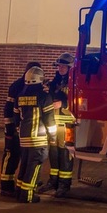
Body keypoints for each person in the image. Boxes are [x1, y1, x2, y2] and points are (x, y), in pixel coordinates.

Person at [14, 65, 56, 203]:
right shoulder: (44, 96)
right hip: (38, 138)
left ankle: (19, 191)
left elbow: (16, 117)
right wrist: (53, 136)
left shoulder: (20, 96)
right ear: (40, 79)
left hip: (23, 137)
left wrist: (18, 130)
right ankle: (28, 195)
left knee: (25, 165)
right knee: (35, 166)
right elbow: (49, 119)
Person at [0, 61, 41, 197]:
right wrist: (9, 128)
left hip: (25, 130)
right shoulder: (17, 86)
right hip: (15, 129)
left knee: (25, 158)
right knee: (11, 155)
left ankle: (21, 185)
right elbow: (8, 109)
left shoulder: (37, 87)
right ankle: (6, 186)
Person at [40, 52, 75, 196]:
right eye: (59, 66)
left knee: (65, 153)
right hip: (54, 122)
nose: (60, 68)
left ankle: (64, 184)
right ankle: (53, 181)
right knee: (53, 152)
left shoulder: (74, 83)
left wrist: (63, 103)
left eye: (63, 66)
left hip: (67, 124)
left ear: (70, 68)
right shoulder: (54, 82)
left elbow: (78, 101)